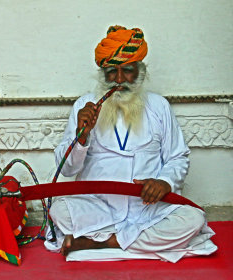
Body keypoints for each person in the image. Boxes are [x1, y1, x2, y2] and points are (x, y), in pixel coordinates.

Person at [44, 25, 217, 263]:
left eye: (127, 71)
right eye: (111, 72)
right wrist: (81, 135)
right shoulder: (84, 106)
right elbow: (67, 169)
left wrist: (164, 181)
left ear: (140, 71)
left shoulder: (159, 106)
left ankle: (102, 243)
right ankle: (135, 243)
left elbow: (177, 157)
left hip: (148, 209)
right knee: (59, 211)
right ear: (102, 74)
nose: (119, 79)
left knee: (192, 218)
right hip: (100, 208)